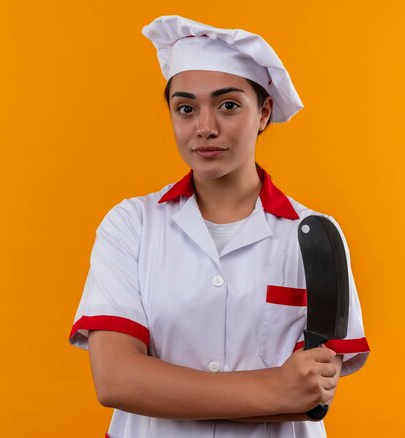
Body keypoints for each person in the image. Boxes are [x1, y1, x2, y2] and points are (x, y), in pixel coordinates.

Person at [69, 15, 370, 438]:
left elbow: (310, 400)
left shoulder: (314, 234)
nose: (205, 128)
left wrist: (162, 387)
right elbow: (116, 380)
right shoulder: (130, 224)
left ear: (264, 112)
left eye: (228, 105)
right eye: (186, 108)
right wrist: (274, 389)